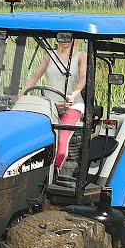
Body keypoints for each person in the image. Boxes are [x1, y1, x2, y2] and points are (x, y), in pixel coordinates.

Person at [22, 35, 87, 169]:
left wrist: (73, 95)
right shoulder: (50, 55)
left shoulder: (81, 56)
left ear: (75, 39)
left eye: (67, 38)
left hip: (72, 105)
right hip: (49, 104)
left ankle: (54, 177)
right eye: (61, 38)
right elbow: (35, 76)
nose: (64, 42)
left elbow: (83, 78)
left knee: (61, 147)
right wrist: (21, 94)